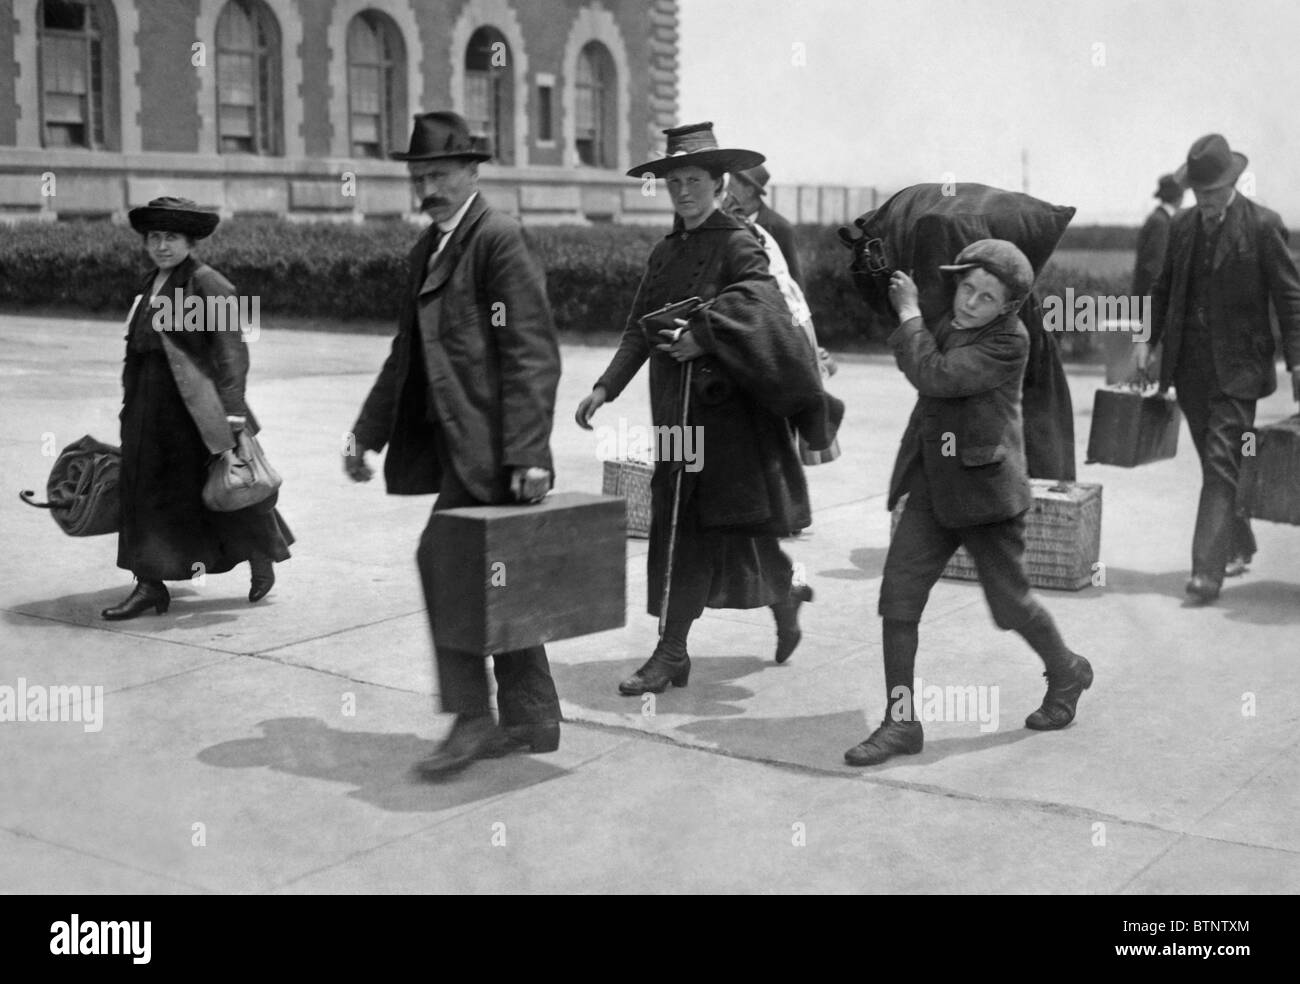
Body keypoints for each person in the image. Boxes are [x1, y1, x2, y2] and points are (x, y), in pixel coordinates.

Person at [576, 122, 833, 694]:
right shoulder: (665, 253)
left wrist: (707, 333)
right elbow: (638, 329)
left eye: (694, 179)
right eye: (674, 181)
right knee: (701, 523)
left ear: (719, 183)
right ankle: (785, 591)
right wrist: (605, 387)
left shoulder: (741, 241)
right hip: (673, 411)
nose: (683, 191)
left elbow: (765, 308)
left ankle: (670, 652)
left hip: (728, 418)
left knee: (693, 525)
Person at [345, 111, 562, 778]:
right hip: (461, 447)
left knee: (446, 564)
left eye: (438, 174)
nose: (427, 188)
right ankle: (532, 714)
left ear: (472, 172)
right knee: (499, 573)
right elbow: (404, 355)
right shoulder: (429, 250)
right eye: (418, 177)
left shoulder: (497, 239)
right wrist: (367, 431)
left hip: (495, 448)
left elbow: (532, 353)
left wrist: (528, 453)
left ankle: (473, 720)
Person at [845, 239, 1092, 767]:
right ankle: (901, 722)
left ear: (1007, 306)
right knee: (899, 597)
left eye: (986, 297)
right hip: (934, 485)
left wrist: (910, 312)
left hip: (987, 495)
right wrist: (878, 270)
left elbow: (935, 373)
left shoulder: (1010, 341)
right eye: (967, 287)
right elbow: (900, 317)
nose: (969, 302)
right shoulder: (949, 320)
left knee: (1009, 606)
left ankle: (1067, 671)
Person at [103, 197, 292, 621]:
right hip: (148, 412)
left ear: (190, 241)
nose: (162, 245)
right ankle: (149, 585)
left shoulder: (208, 284)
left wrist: (232, 415)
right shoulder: (149, 283)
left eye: (171, 237)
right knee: (144, 496)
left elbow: (232, 352)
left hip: (197, 414)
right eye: (154, 237)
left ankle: (260, 554)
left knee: (220, 492)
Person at [1142, 134, 1300, 603]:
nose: (1204, 202)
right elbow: (1161, 288)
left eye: (1212, 193)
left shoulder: (1262, 225)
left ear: (1230, 184)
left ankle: (1205, 573)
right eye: (1198, 193)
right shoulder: (1183, 226)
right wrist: (1144, 342)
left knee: (1219, 463)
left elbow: (1290, 299)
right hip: (1187, 369)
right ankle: (1240, 540)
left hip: (1240, 370)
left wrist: (1298, 362)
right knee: (1219, 466)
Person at [727, 164, 804, 289]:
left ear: (749, 191)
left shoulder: (779, 227)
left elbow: (795, 281)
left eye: (732, 186)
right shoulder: (727, 222)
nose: (727, 192)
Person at [1132, 173, 1184, 301]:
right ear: (1179, 196)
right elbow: (1155, 265)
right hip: (1151, 299)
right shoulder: (1161, 222)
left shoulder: (1158, 218)